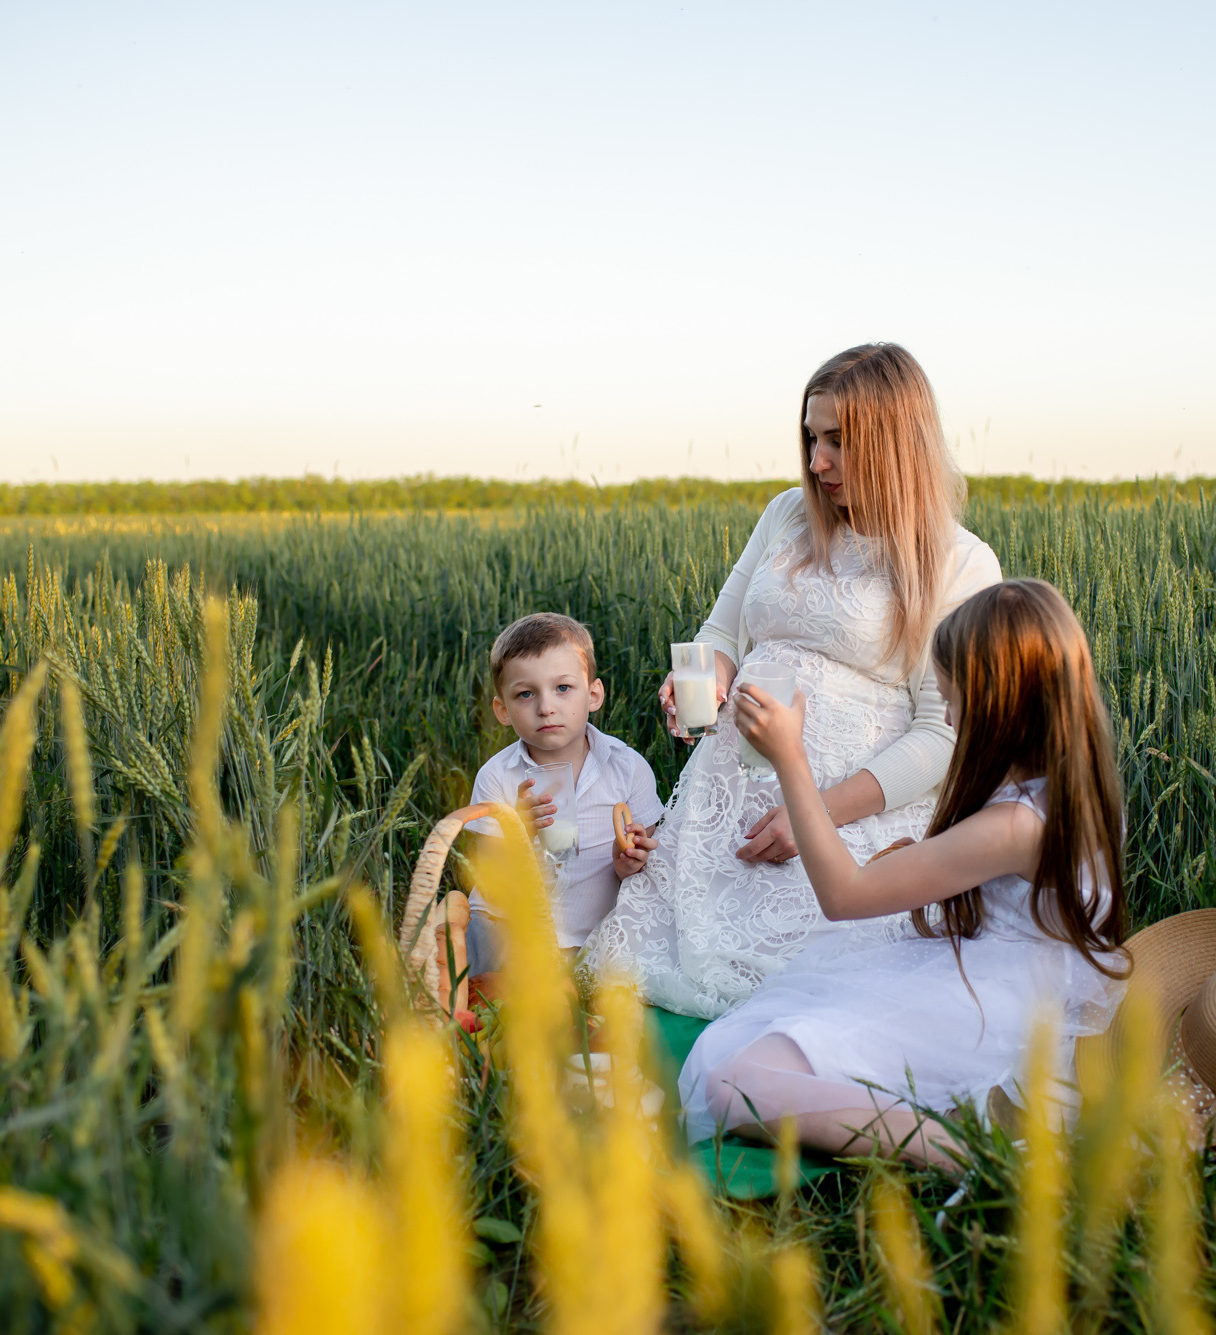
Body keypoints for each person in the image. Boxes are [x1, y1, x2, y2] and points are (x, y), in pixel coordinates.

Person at [582, 343, 1003, 1017]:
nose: (816, 462)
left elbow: (941, 735)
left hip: (851, 818)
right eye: (811, 437)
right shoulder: (786, 514)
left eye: (838, 440)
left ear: (896, 442)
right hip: (726, 801)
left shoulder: (961, 562)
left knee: (806, 991)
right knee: (644, 973)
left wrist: (812, 815)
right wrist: (704, 680)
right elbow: (722, 633)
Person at [678, 579, 1130, 1168]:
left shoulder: (1019, 824)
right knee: (739, 1059)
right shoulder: (1069, 790)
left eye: (953, 696)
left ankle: (981, 1157)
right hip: (1002, 979)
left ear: (1002, 700)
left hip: (996, 1003)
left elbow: (844, 896)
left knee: (733, 1082)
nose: (946, 713)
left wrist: (792, 758)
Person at [461, 613, 663, 975]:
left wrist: (629, 863)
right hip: (508, 931)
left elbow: (647, 856)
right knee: (488, 989)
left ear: (594, 695)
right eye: (526, 694)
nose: (546, 707)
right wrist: (518, 832)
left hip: (590, 937)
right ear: (502, 710)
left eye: (563, 688)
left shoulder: (626, 768)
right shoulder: (497, 777)